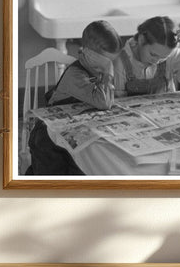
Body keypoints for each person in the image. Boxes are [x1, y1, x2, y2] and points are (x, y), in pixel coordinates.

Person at [27, 20, 122, 175]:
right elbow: (104, 103)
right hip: (49, 139)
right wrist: (108, 71)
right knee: (51, 181)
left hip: (73, 131)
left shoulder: (94, 70)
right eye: (103, 64)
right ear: (89, 55)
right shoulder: (75, 75)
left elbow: (109, 100)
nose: (105, 69)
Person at [113, 16, 180, 98]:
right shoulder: (121, 61)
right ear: (141, 40)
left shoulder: (174, 56)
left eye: (163, 57)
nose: (156, 61)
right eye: (153, 54)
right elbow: (119, 105)